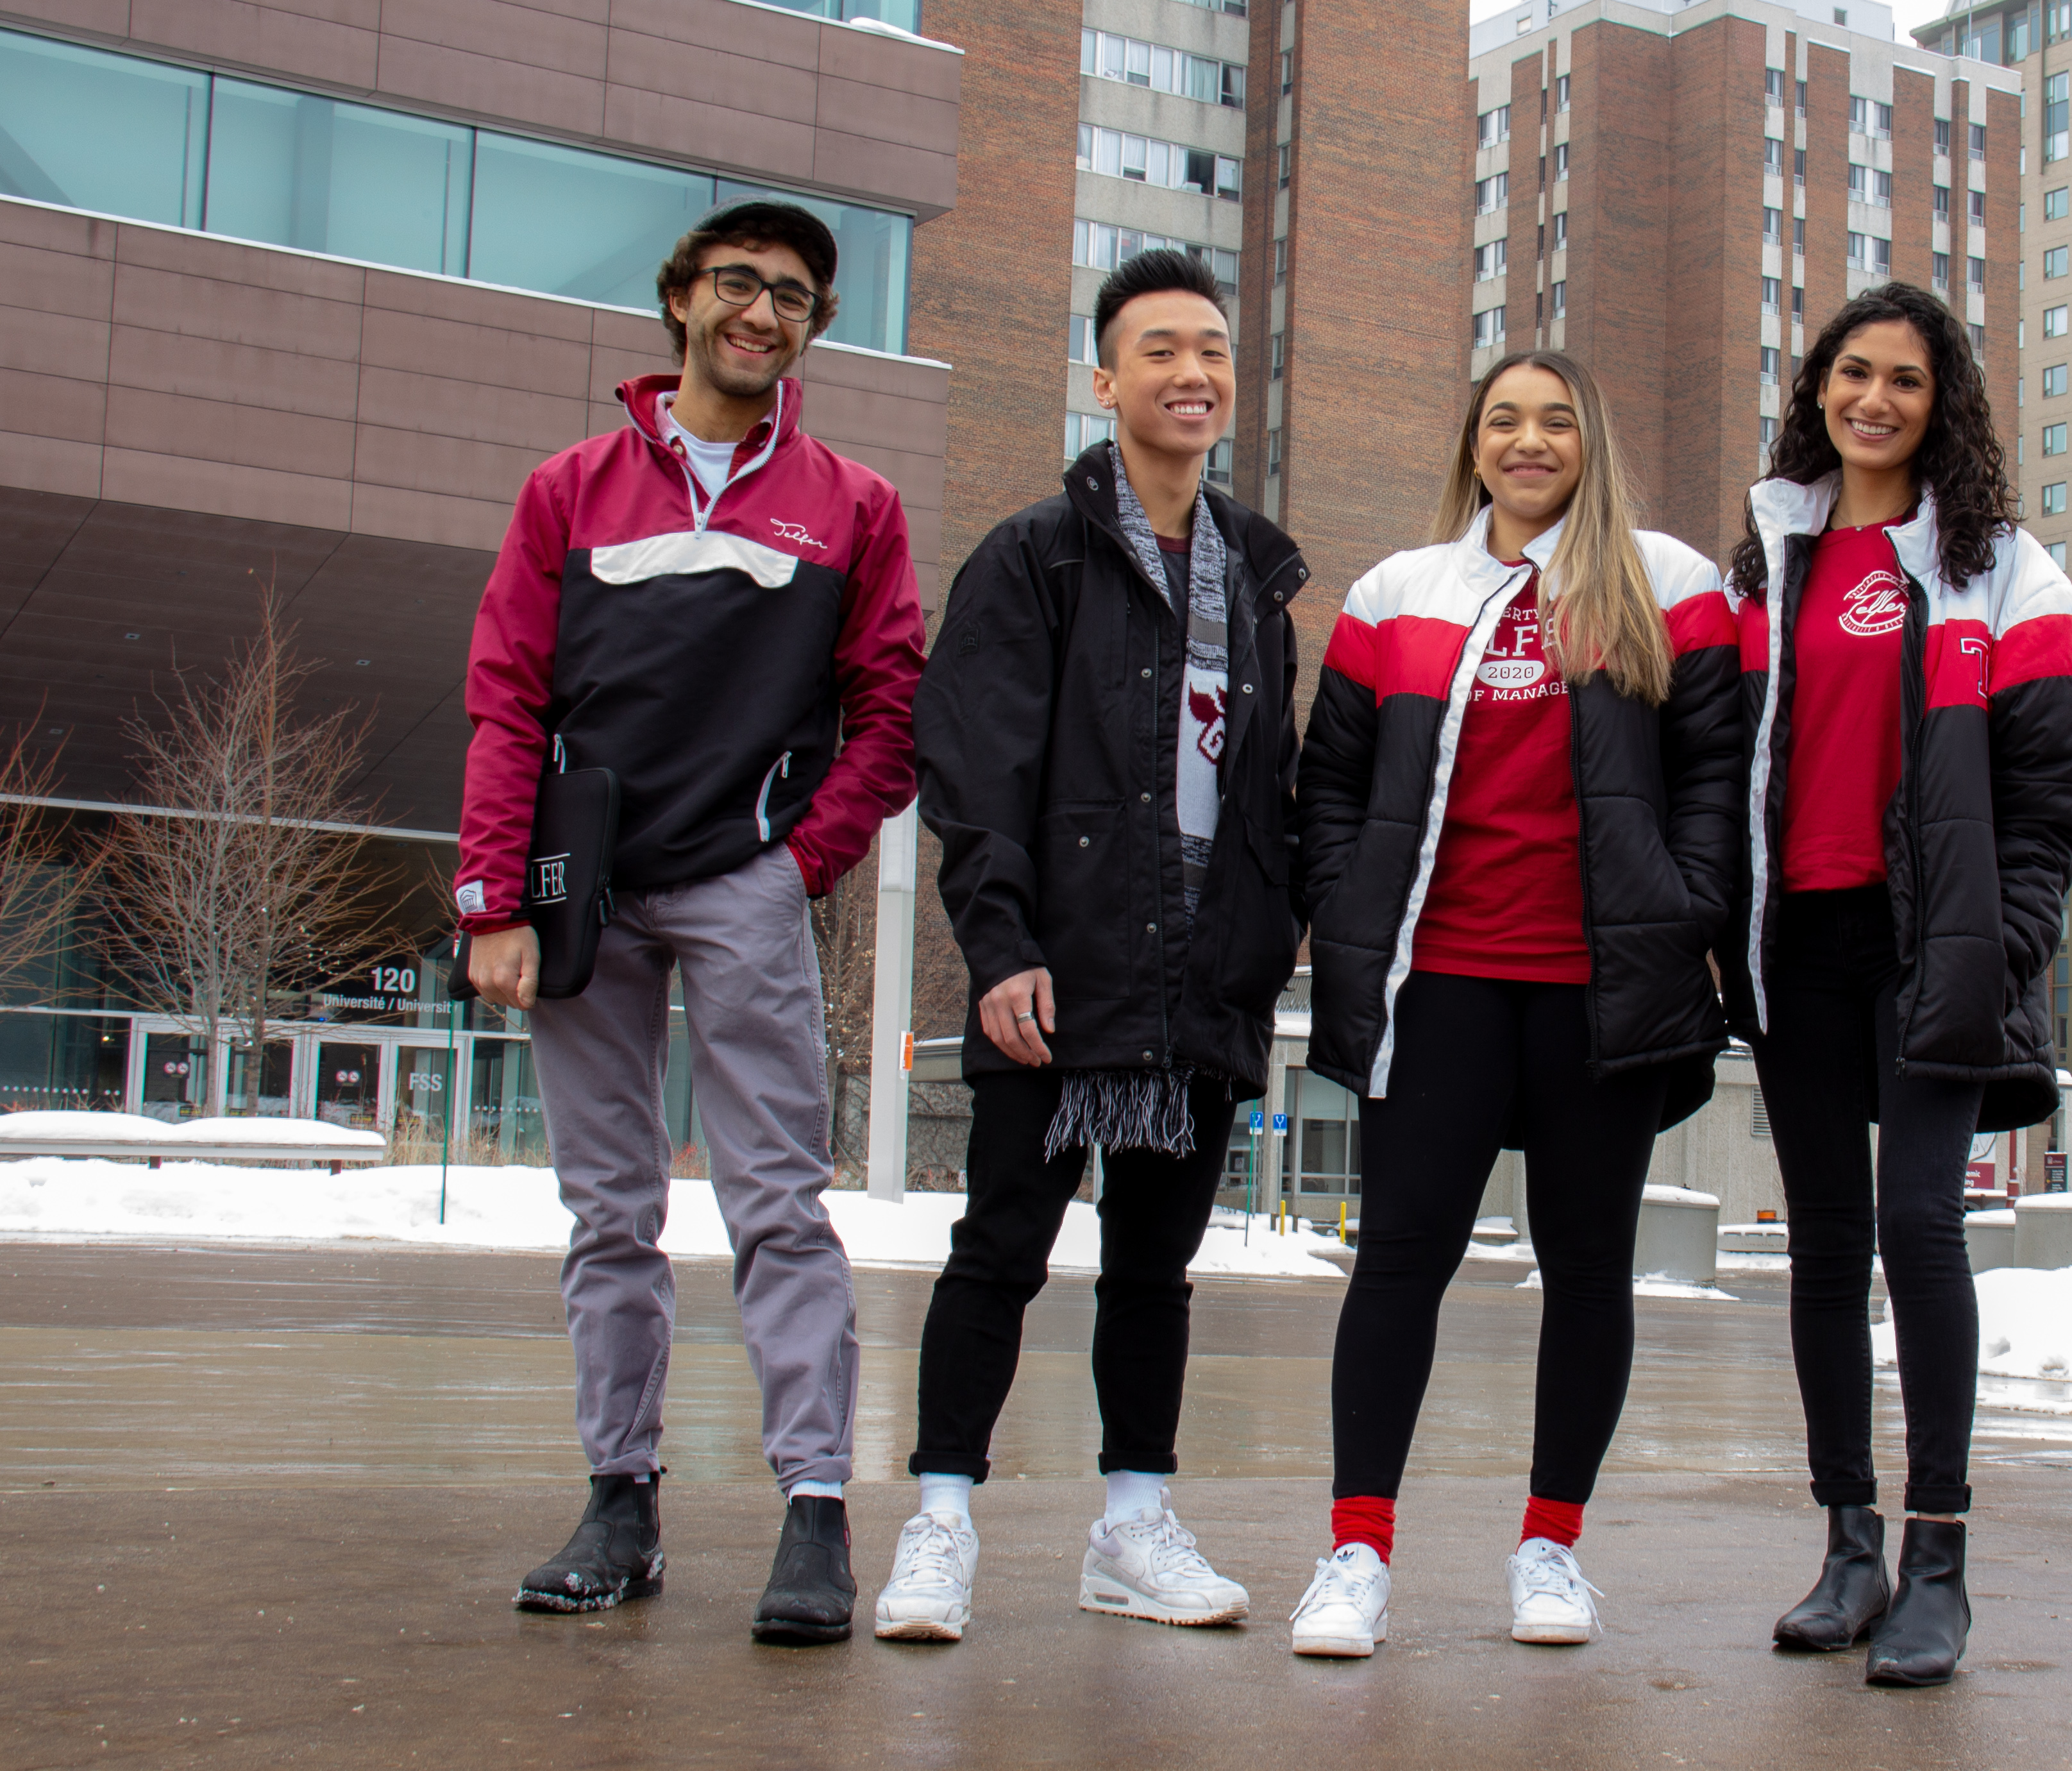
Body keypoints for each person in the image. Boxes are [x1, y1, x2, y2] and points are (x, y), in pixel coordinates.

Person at [458, 200, 925, 1645]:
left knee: (778, 1204)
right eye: (739, 283)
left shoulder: (853, 504)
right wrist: (491, 894)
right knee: (610, 1213)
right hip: (577, 886)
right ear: (679, 300)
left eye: (794, 296)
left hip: (745, 883)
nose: (762, 312)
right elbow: (506, 692)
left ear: (813, 329)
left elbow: (892, 706)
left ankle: (813, 1514)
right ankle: (621, 1501)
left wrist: (803, 863)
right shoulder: (570, 489)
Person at [1285, 351, 1744, 1658]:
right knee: (1399, 1262)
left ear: (1590, 439)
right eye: (1504, 421)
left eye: (1555, 420)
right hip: (1439, 989)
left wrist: (1691, 900)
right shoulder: (1397, 595)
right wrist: (1348, 902)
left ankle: (1551, 1547)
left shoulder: (1669, 585)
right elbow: (1333, 783)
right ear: (1472, 446)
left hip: (1602, 994)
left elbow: (1715, 768)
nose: (1529, 441)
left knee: (1589, 1268)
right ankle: (1357, 1552)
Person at [881, 249, 1310, 1642]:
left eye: (1211, 351)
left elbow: (1267, 789)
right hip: (1055, 975)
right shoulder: (1035, 554)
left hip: (1195, 984)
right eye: (1159, 350)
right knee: (998, 1249)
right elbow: (975, 766)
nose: (1191, 373)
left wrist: (1264, 941)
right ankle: (939, 1522)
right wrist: (999, 946)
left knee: (1152, 1271)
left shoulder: (1253, 574)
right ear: (1105, 377)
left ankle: (1132, 1525)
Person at [1722, 283, 2072, 1687]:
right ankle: (1848, 1544)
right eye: (1852, 373)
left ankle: (1940, 1557)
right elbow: (1726, 764)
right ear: (1819, 386)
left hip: (1932, 946)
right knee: (1823, 1245)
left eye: (1907, 382)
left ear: (1946, 409)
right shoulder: (1770, 559)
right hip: (1795, 945)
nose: (1874, 400)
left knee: (1917, 1229)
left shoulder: (1999, 569)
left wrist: (2003, 942)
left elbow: (2053, 788)